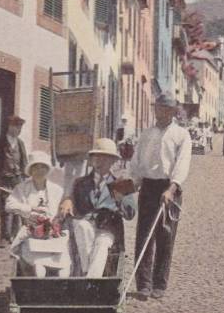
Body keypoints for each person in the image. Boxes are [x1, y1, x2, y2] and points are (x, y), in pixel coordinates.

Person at [129, 92, 191, 300]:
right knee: (144, 236)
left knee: (165, 236)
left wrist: (172, 189)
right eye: (158, 108)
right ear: (154, 109)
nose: (161, 112)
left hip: (169, 187)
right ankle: (143, 284)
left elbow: (182, 164)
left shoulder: (181, 135)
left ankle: (159, 284)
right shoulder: (146, 134)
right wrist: (130, 186)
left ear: (174, 112)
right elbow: (137, 164)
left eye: (166, 109)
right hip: (148, 187)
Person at [59, 139, 136, 278]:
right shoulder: (80, 183)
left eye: (106, 158)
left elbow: (130, 213)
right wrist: (67, 200)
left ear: (113, 161)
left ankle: (89, 278)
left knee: (102, 243)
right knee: (81, 226)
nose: (100, 161)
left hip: (107, 229)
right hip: (85, 226)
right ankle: (90, 276)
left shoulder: (121, 182)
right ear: (91, 160)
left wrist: (119, 195)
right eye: (97, 157)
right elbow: (69, 201)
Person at [5, 151, 68, 277]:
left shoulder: (56, 189)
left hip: (53, 234)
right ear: (31, 170)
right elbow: (9, 205)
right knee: (39, 267)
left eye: (43, 167)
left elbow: (63, 209)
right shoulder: (22, 188)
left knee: (64, 267)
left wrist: (59, 218)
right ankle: (38, 290)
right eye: (36, 167)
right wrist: (29, 209)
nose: (40, 171)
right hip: (31, 234)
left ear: (47, 170)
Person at [0, 115, 28, 248]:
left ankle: (15, 236)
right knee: (5, 209)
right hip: (5, 179)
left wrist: (26, 178)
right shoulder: (0, 141)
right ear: (9, 127)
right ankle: (4, 238)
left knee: (17, 208)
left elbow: (24, 161)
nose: (18, 130)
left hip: (18, 179)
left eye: (20, 127)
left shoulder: (20, 143)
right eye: (16, 127)